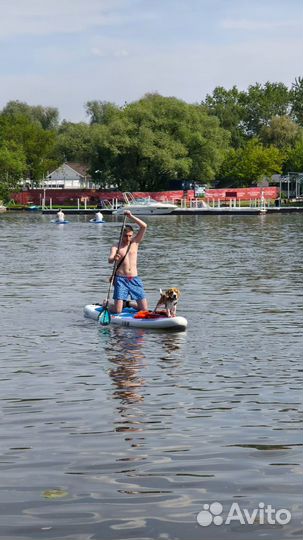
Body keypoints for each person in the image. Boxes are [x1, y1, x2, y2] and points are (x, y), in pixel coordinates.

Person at [107, 210, 148, 314]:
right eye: (125, 236)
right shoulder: (116, 246)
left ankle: (128, 304)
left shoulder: (135, 242)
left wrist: (131, 216)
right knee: (117, 311)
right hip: (120, 279)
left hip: (134, 278)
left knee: (144, 310)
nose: (128, 238)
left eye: (130, 235)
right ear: (121, 235)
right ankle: (106, 305)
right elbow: (110, 260)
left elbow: (144, 226)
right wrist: (114, 258)